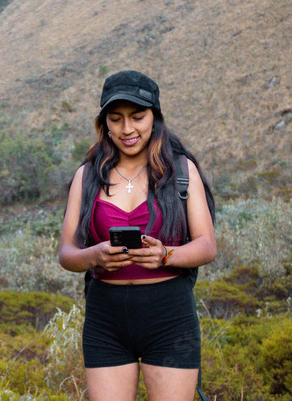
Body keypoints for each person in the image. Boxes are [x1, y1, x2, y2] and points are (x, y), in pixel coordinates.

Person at [58, 70, 217, 401]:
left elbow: (206, 246)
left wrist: (166, 255)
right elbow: (67, 253)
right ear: (105, 123)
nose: (127, 129)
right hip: (105, 318)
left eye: (138, 117)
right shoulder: (86, 176)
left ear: (155, 117)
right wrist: (93, 256)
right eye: (116, 119)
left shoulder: (182, 172)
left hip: (170, 315)